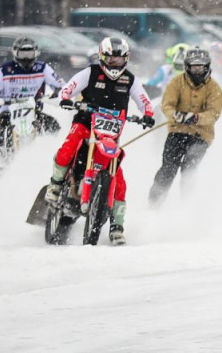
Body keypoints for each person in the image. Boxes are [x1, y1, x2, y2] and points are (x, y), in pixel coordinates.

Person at [45, 37, 155, 246]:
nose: (115, 64)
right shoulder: (90, 73)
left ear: (126, 60)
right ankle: (56, 184)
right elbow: (68, 88)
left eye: (119, 60)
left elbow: (144, 100)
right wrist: (66, 99)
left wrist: (148, 113)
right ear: (103, 57)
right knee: (68, 148)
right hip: (86, 124)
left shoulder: (130, 80)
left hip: (110, 135)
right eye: (111, 60)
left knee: (119, 179)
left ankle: (117, 227)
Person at [0, 36, 64, 183]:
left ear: (36, 53)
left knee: (53, 126)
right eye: (23, 54)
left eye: (30, 54)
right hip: (7, 113)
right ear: (15, 53)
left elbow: (60, 84)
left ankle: (48, 160)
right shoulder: (4, 70)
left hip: (33, 112)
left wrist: (58, 93)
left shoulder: (42, 68)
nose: (27, 58)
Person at [148, 47, 222, 206]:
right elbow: (167, 104)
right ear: (187, 67)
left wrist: (197, 118)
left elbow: (214, 113)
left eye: (201, 67)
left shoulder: (214, 88)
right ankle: (154, 203)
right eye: (194, 67)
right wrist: (175, 115)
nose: (198, 71)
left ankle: (186, 205)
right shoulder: (176, 83)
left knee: (189, 169)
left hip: (201, 135)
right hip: (177, 131)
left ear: (207, 67)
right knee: (168, 168)